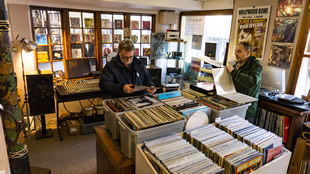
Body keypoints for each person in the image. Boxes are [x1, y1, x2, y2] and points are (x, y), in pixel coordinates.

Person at [226, 42, 262, 123]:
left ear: (248, 52)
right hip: (235, 106)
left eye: (239, 51)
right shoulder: (237, 65)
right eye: (235, 51)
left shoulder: (256, 65)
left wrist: (233, 72)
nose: (236, 54)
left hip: (248, 109)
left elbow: (252, 82)